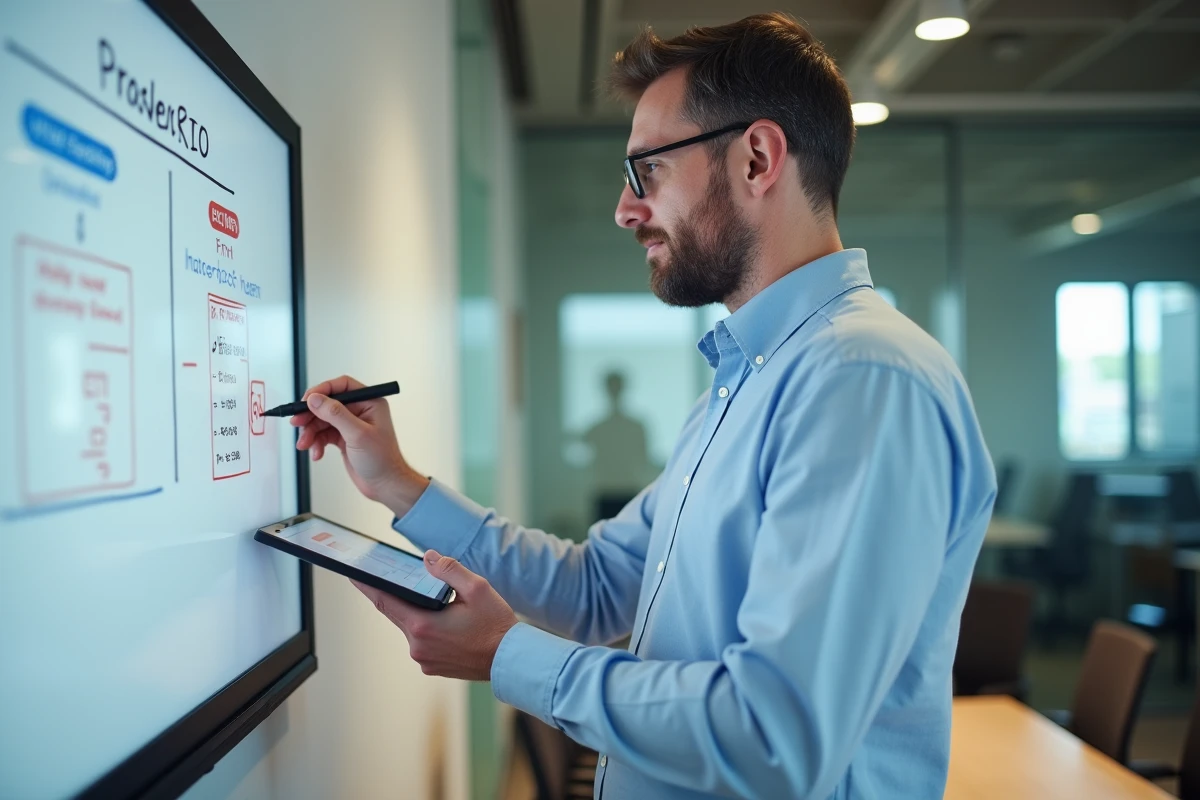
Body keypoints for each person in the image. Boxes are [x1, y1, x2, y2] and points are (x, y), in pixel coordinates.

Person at [291, 12, 996, 799]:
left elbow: (775, 736)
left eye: (646, 172)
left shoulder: (863, 381)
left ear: (757, 158)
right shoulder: (745, 383)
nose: (627, 211)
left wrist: (507, 657)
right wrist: (396, 484)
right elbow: (597, 589)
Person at [582, 370, 652, 521]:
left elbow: (644, 458)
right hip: (606, 492)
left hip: (627, 491)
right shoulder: (598, 428)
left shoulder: (599, 427)